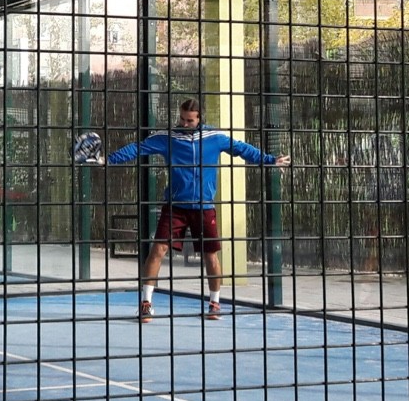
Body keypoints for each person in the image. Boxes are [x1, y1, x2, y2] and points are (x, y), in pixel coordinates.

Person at [105, 98, 291, 323]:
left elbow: (242, 149)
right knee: (157, 251)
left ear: (200, 119)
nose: (185, 124)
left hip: (204, 208)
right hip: (175, 207)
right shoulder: (168, 138)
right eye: (182, 119)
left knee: (210, 255)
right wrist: (109, 160)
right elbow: (137, 148)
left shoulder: (215, 137)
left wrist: (270, 160)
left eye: (190, 120)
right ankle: (146, 303)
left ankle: (214, 303)